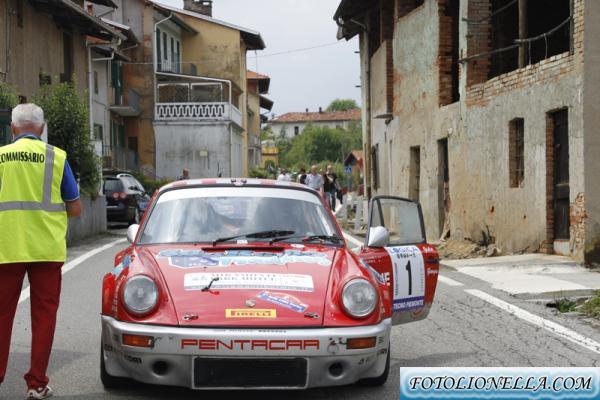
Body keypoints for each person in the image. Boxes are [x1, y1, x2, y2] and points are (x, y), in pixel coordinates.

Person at [0, 104, 82, 399]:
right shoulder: (56, 158)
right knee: (44, 316)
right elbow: (75, 208)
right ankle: (36, 384)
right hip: (46, 249)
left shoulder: (0, 158)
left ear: (12, 128)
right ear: (42, 127)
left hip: (5, 248)